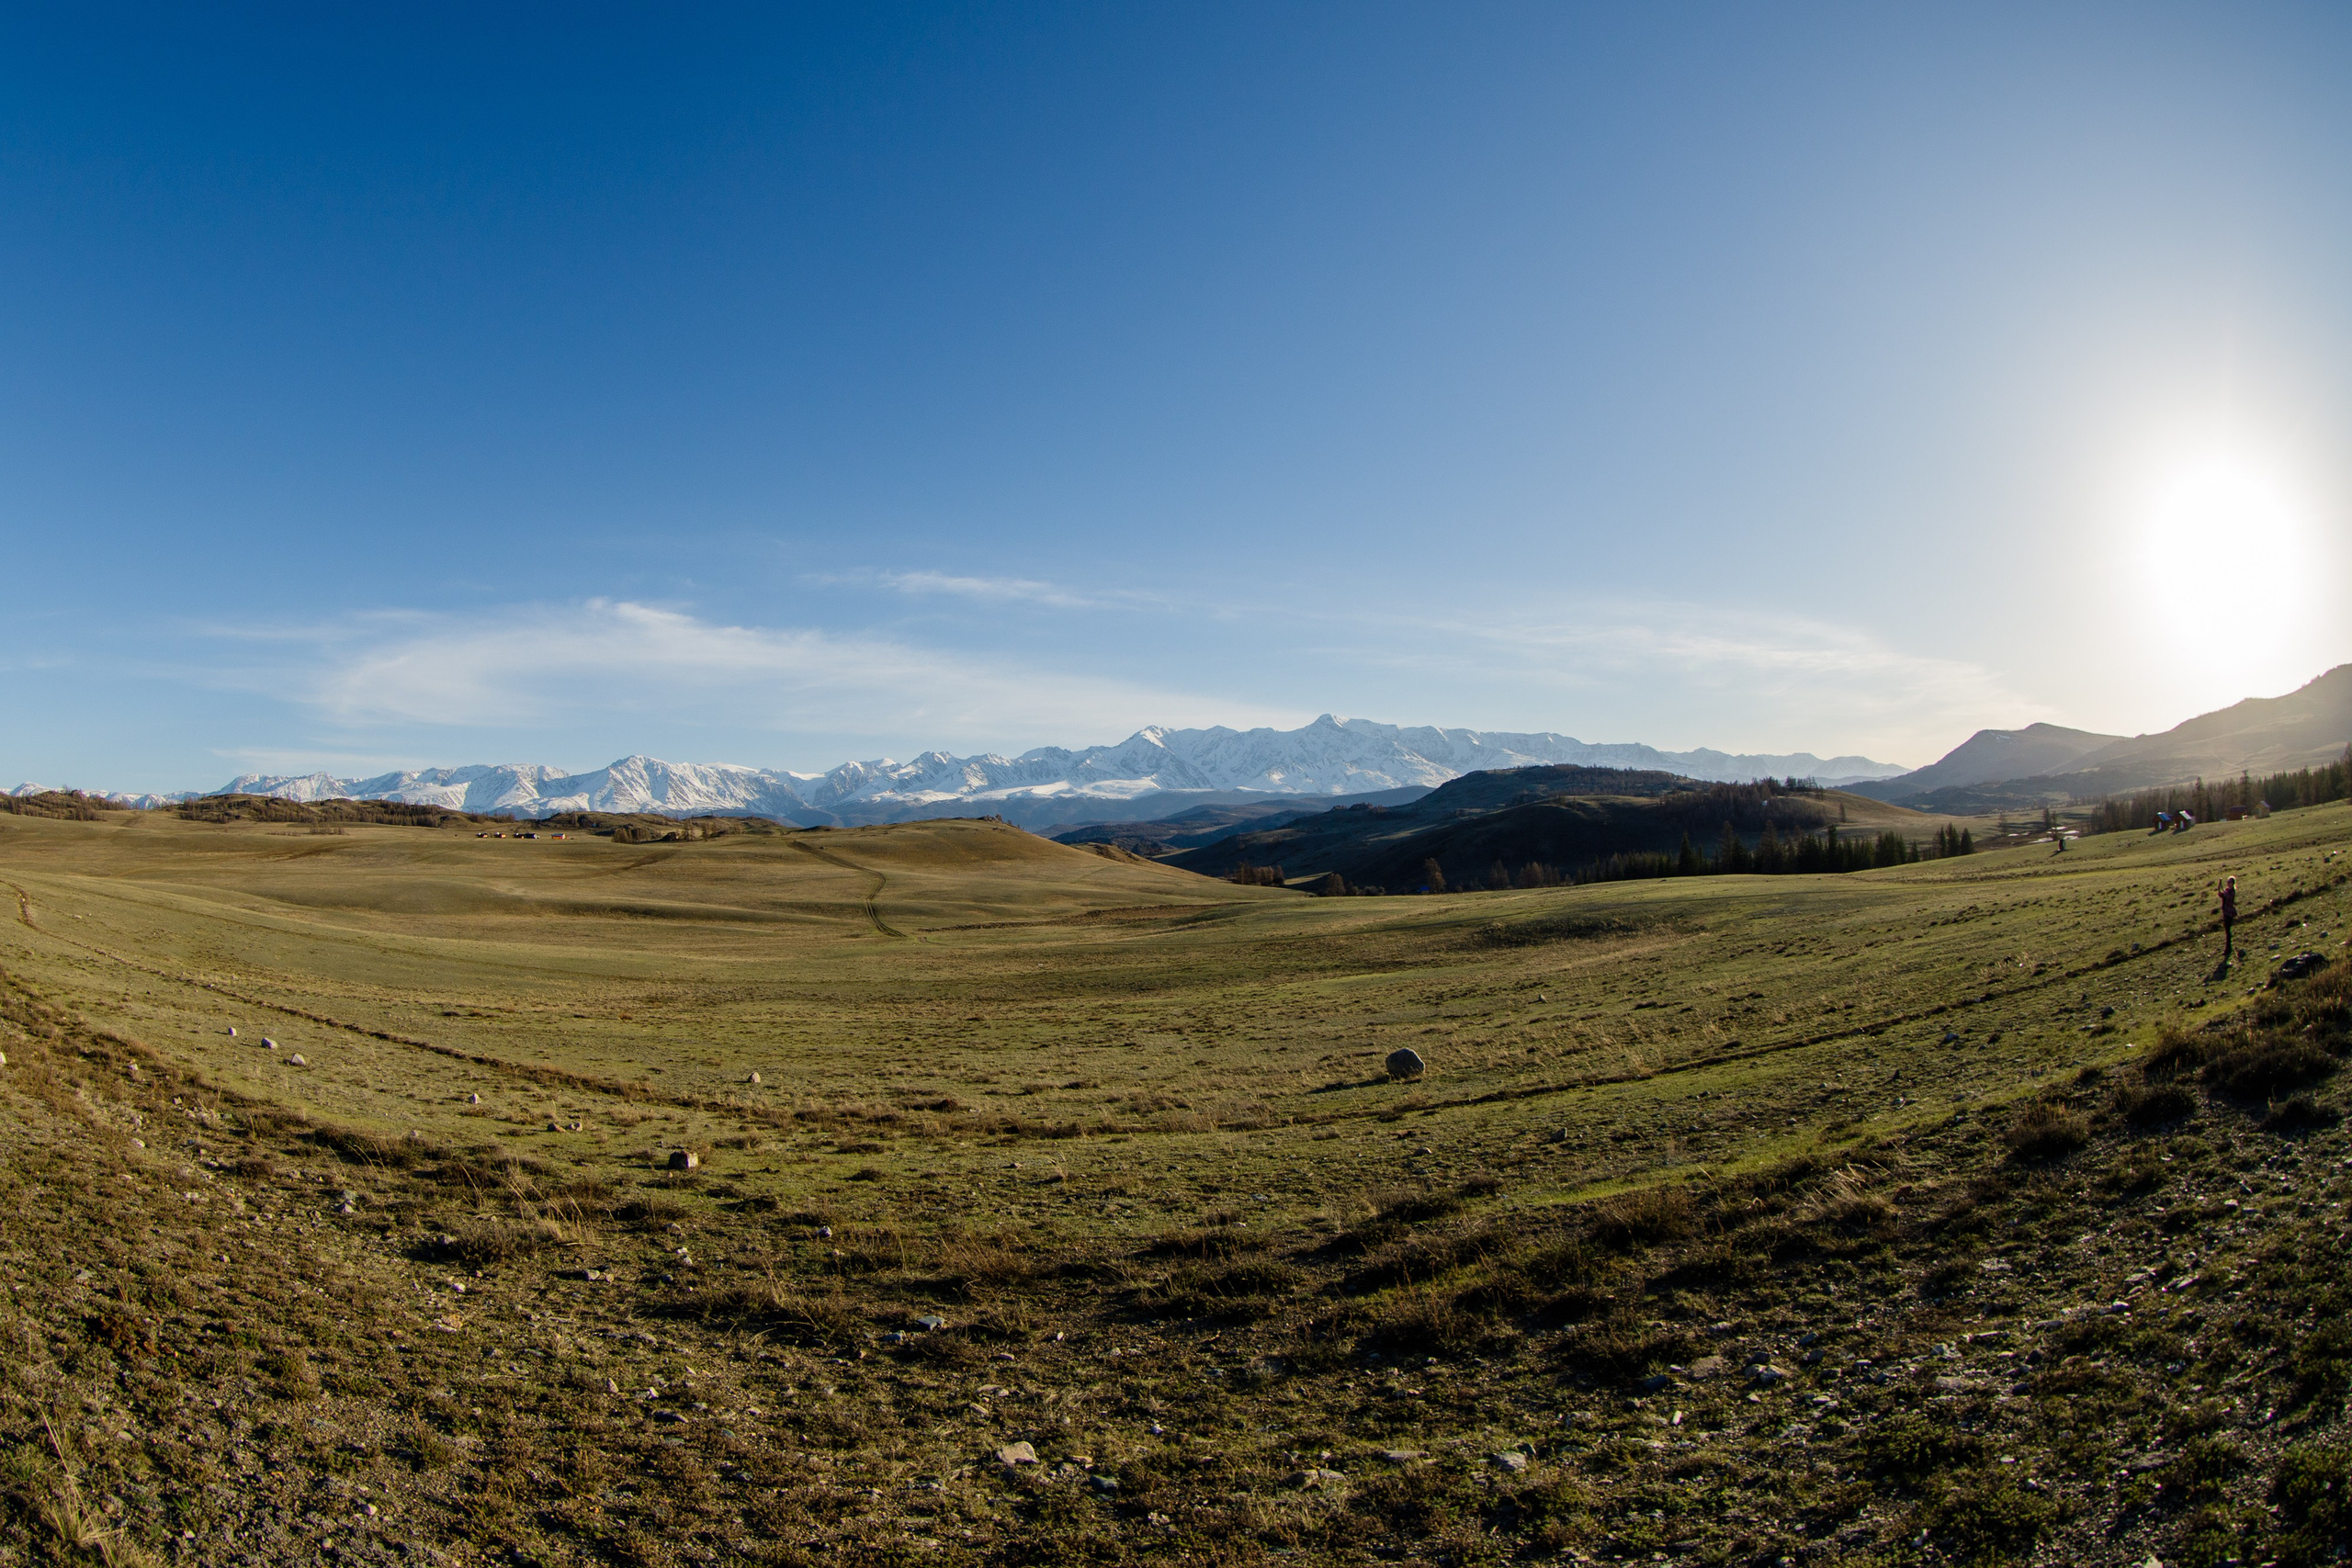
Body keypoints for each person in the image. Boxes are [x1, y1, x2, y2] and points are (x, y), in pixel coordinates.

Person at [2219, 874, 2237, 958]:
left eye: (2229, 882)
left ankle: (2228, 948)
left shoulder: (2231, 892)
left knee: (2228, 931)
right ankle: (2228, 948)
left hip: (2229, 913)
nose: (2228, 883)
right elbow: (2222, 895)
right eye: (2227, 882)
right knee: (2227, 931)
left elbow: (2227, 896)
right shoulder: (2227, 891)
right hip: (2226, 912)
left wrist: (2222, 892)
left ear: (2232, 883)